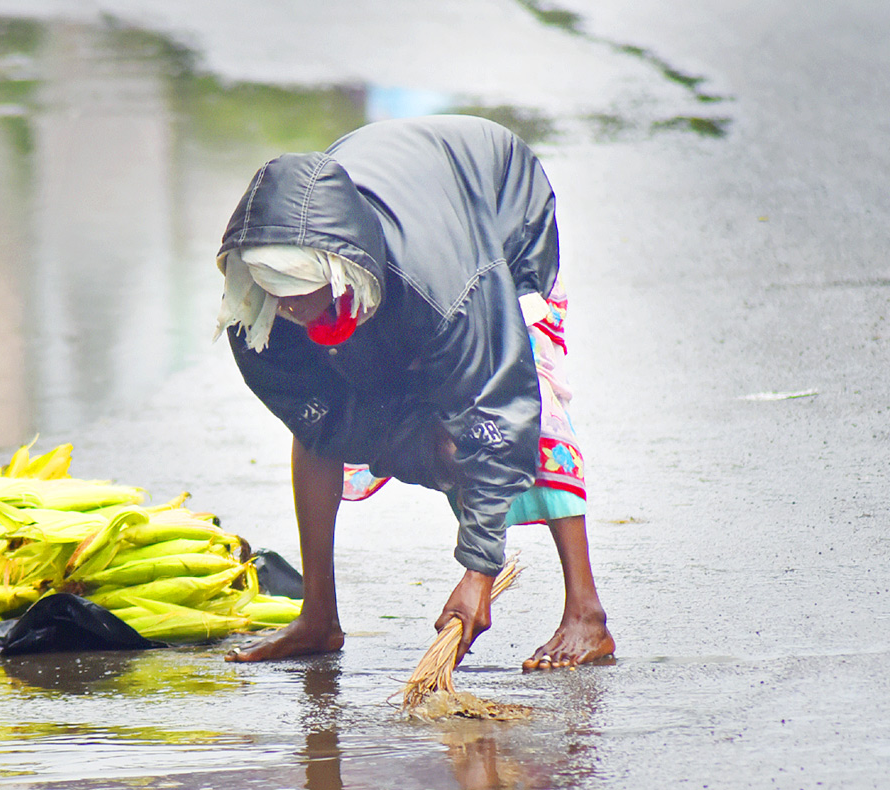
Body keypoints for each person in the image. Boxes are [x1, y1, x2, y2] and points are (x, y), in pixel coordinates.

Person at [213, 115, 614, 671]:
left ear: (339, 272)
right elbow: (317, 413)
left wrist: (479, 572)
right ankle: (319, 617)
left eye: (300, 294)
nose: (287, 309)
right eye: (274, 294)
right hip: (397, 212)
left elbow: (499, 405)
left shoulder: (449, 283)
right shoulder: (265, 301)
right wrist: (400, 438)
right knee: (316, 428)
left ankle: (586, 614)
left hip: (495, 201)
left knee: (532, 395)